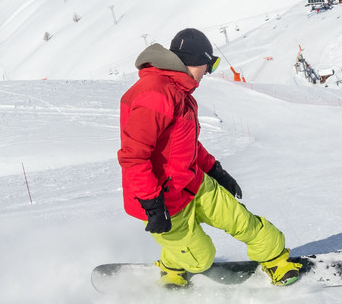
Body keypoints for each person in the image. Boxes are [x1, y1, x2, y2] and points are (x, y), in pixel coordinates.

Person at [118, 28, 304, 287]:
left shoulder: (179, 92)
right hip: (165, 200)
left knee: (243, 222)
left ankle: (276, 261)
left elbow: (183, 144)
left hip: (194, 183)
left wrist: (215, 170)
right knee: (201, 259)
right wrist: (152, 204)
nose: (208, 72)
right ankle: (173, 266)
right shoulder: (155, 94)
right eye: (209, 65)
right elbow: (135, 157)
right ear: (194, 60)